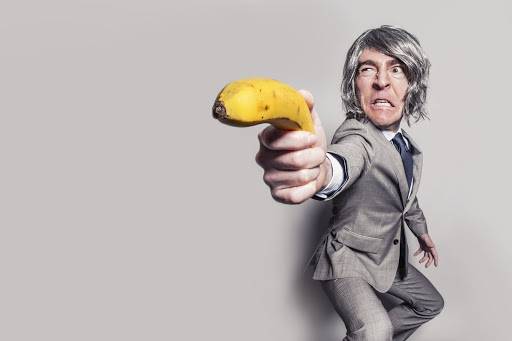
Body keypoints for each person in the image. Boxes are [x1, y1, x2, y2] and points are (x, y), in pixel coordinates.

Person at [255, 25, 444, 341]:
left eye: (396, 70)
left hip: (385, 255)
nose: (381, 81)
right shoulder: (357, 136)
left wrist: (421, 232)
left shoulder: (407, 147)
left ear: (411, 85)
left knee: (430, 304)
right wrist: (320, 173)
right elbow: (342, 163)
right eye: (367, 69)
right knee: (375, 329)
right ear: (354, 86)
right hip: (348, 257)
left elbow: (406, 199)